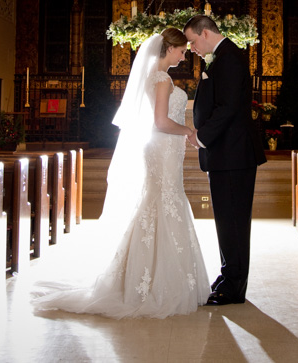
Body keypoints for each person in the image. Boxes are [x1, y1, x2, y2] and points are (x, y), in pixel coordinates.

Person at [33, 28, 210, 318]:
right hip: (163, 146)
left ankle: (142, 277)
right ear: (169, 48)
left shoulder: (152, 77)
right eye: (182, 50)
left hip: (162, 149)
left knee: (157, 202)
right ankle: (158, 283)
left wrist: (182, 135)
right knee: (164, 201)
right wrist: (189, 131)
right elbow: (161, 122)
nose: (185, 53)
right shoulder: (162, 80)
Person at [184, 15, 266, 305]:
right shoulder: (221, 57)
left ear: (205, 33)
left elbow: (228, 107)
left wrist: (201, 135)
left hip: (233, 153)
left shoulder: (229, 57)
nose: (192, 48)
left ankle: (234, 285)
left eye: (193, 41)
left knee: (233, 220)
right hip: (225, 153)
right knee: (227, 219)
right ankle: (229, 274)